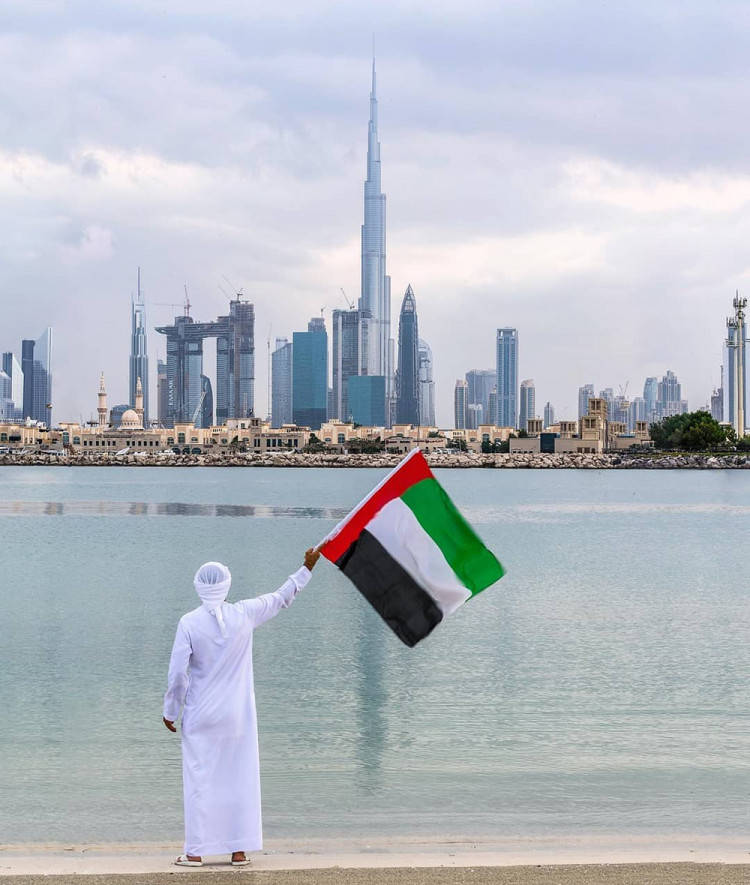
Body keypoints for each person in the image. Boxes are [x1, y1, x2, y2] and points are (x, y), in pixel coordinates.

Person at [163, 547, 321, 867]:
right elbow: (281, 597)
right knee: (239, 779)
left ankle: (195, 852)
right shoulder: (245, 613)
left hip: (200, 715)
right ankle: (238, 851)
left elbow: (178, 673)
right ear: (226, 585)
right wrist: (307, 568)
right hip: (237, 716)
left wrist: (170, 711)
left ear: (198, 586)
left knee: (199, 781)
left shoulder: (189, 622)